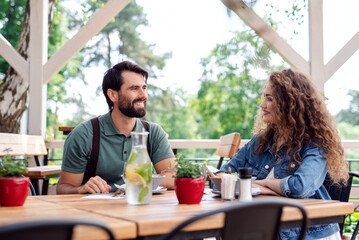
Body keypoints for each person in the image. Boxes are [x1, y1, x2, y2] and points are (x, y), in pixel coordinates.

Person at [220, 69, 348, 240]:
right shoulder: (260, 141)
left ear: (290, 104)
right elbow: (225, 173)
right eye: (264, 97)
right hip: (266, 228)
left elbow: (300, 187)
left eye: (270, 98)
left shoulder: (316, 142)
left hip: (308, 233)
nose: (262, 104)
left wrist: (262, 183)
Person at [57, 61, 176, 194]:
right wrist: (81, 189)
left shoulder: (153, 132)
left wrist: (135, 183)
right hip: (94, 211)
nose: (143, 95)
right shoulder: (83, 135)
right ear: (113, 95)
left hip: (141, 208)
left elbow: (174, 176)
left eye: (144, 88)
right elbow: (63, 189)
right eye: (134, 88)